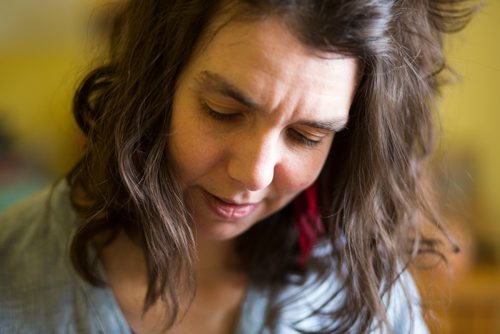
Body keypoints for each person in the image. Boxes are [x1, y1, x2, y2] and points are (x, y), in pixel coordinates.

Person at [0, 0, 476, 333]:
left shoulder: (362, 292)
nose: (256, 174)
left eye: (306, 136)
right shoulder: (13, 270)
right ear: (155, 85)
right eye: (223, 112)